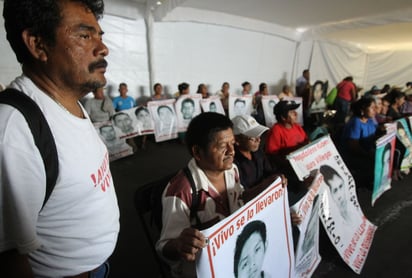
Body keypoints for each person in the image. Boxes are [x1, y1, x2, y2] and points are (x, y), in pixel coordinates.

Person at [0, 0, 119, 277]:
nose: (103, 48)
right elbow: (8, 259)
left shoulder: (68, 101)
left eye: (100, 36)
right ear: (38, 45)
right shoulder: (13, 129)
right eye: (84, 35)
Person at [156, 112, 286, 278]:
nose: (232, 151)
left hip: (233, 259)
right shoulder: (180, 192)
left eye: (232, 143)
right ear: (197, 152)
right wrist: (180, 244)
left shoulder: (231, 170)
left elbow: (239, 198)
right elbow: (164, 247)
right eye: (222, 146)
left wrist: (267, 186)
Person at [265, 100, 309, 203]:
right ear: (283, 117)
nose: (296, 113)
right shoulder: (276, 131)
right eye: (291, 112)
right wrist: (290, 160)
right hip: (289, 171)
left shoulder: (297, 127)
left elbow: (307, 141)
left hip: (303, 165)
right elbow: (272, 155)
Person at [341, 97, 377, 187]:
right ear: (362, 109)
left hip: (367, 151)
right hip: (353, 155)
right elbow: (353, 146)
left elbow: (373, 133)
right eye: (372, 107)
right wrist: (369, 154)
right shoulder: (355, 122)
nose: (375, 110)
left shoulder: (370, 121)